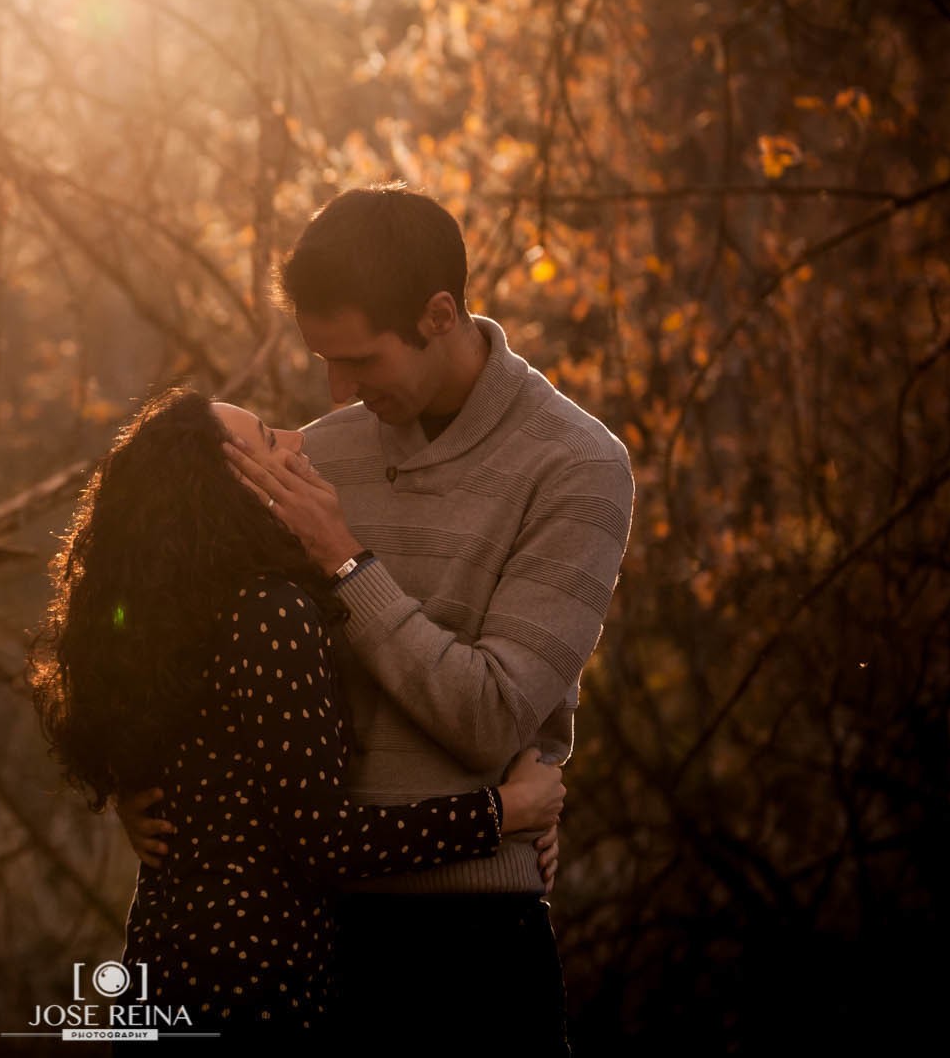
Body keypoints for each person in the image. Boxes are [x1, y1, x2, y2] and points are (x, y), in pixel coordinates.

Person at [118, 185, 635, 1053]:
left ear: (439, 315)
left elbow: (494, 713)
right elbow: (174, 611)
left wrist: (346, 562)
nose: (337, 388)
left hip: (474, 949)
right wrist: (140, 776)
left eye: (359, 360)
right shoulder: (320, 451)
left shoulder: (577, 466)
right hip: (309, 940)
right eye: (325, 359)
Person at [30, 387, 566, 1049]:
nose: (298, 439)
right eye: (269, 438)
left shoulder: (173, 613)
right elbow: (324, 844)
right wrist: (504, 812)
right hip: (252, 991)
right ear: (235, 490)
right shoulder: (269, 613)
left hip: (163, 973)